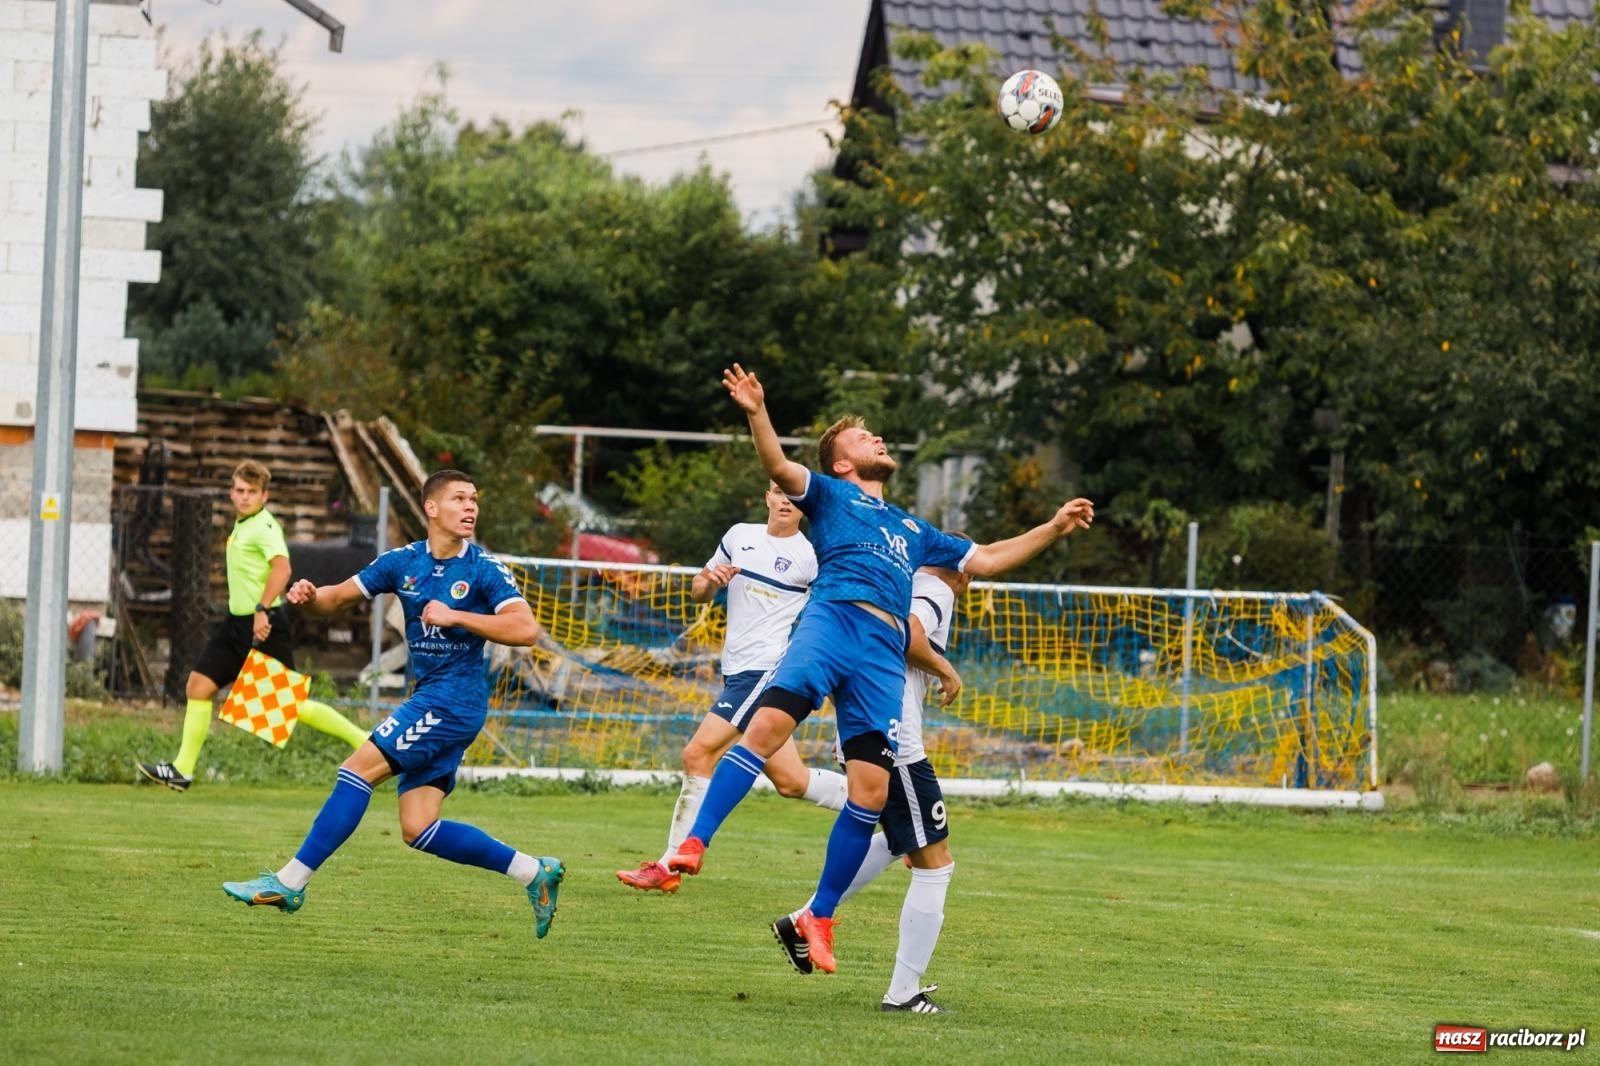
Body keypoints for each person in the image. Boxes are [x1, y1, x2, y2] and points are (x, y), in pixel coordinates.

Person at [666, 363, 1093, 974]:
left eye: (877, 438)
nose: (878, 442)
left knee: (871, 790)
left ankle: (820, 916)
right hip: (832, 622)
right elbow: (779, 468)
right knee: (764, 732)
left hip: (880, 655)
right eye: (864, 440)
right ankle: (693, 843)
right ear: (840, 464)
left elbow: (990, 558)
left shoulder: (914, 529)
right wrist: (758, 411)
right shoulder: (831, 495)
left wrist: (1052, 527)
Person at [220, 470, 565, 938]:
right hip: (434, 701)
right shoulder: (402, 562)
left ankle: (289, 882)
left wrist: (456, 616)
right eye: (460, 498)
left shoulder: (483, 567)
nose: (471, 507)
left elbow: (526, 629)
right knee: (418, 827)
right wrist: (308, 596)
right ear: (432, 508)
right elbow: (336, 599)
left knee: (356, 769)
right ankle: (532, 872)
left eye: (474, 499)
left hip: (452, 701)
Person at [616, 482, 847, 893]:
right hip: (736, 670)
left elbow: (828, 618)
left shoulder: (812, 557)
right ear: (767, 497)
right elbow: (698, 590)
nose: (786, 502)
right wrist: (712, 580)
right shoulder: (740, 535)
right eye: (779, 493)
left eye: (795, 498)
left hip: (768, 670)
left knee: (698, 753)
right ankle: (880, 799)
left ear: (804, 507)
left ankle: (668, 866)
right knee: (791, 781)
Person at [771, 561, 970, 1013]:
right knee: (936, 864)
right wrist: (946, 669)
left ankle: (806, 917)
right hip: (897, 743)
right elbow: (913, 631)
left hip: (864, 731)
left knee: (904, 842)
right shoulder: (936, 587)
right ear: (964, 571)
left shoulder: (881, 585)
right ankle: (903, 993)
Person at [136, 460, 368, 792]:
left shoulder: (265, 526)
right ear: (232, 492)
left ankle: (364, 741)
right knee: (198, 687)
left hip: (265, 625)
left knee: (291, 707)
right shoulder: (243, 524)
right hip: (235, 625)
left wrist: (261, 610)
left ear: (264, 495)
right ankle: (181, 770)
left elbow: (283, 570)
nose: (243, 497)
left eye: (251, 492)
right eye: (239, 491)